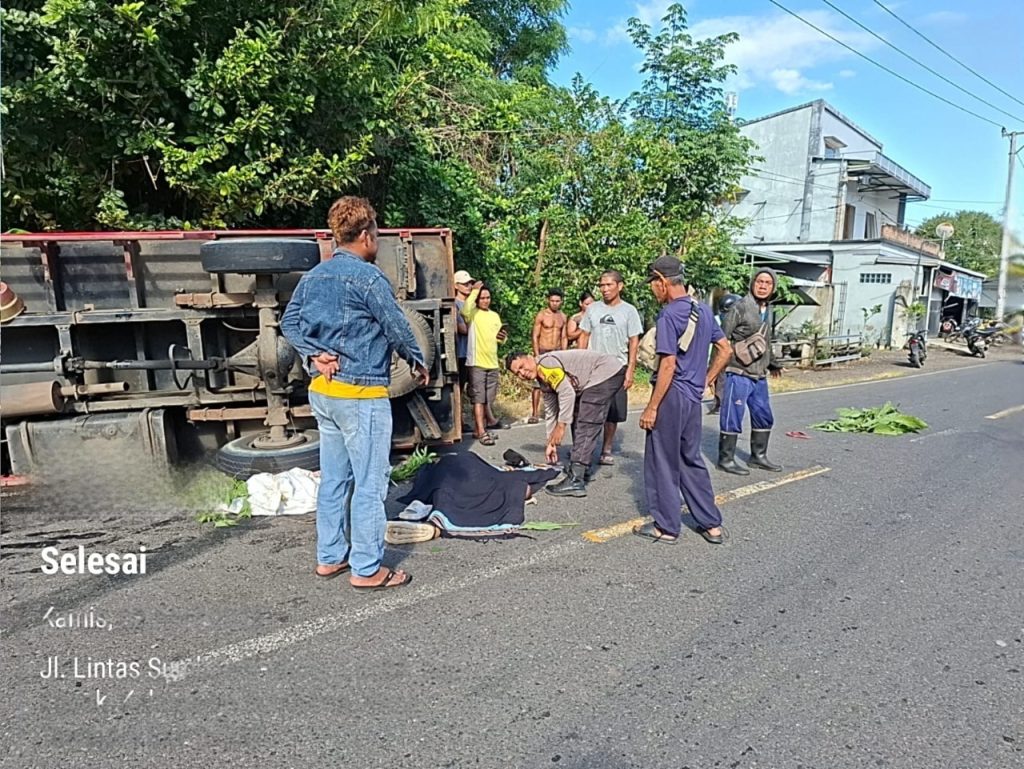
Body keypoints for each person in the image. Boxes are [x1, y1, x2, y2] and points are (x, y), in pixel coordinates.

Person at [280, 195, 427, 590]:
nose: (377, 240)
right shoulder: (367, 277)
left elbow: (288, 322)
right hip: (360, 396)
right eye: (376, 232)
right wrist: (417, 360)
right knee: (370, 483)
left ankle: (330, 557)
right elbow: (396, 325)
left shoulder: (314, 276)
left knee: (334, 479)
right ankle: (367, 568)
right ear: (365, 235)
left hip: (323, 392)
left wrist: (314, 353)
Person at [632, 257, 733, 545]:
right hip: (692, 398)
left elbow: (667, 365)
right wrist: (707, 379)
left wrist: (651, 407)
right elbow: (725, 350)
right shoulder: (701, 310)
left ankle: (666, 526)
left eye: (653, 284)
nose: (653, 290)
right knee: (690, 458)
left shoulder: (668, 315)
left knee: (662, 460)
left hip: (671, 395)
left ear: (661, 281)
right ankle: (711, 523)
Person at [506, 349, 625, 497]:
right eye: (517, 373)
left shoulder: (545, 365)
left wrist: (561, 427)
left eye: (522, 366)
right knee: (577, 413)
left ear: (530, 357)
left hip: (606, 371)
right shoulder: (542, 381)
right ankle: (582, 466)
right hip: (602, 374)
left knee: (587, 417)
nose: (522, 373)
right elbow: (551, 411)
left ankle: (576, 479)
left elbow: (567, 393)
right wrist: (551, 443)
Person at [718, 268, 784, 475]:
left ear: (773, 287)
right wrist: (713, 373)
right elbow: (721, 339)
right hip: (739, 371)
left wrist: (773, 363)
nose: (763, 286)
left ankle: (758, 457)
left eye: (768, 283)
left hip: (759, 373)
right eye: (760, 281)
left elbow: (766, 341)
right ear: (752, 283)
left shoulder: (767, 309)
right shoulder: (740, 307)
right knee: (732, 415)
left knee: (763, 415)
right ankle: (725, 459)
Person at [578, 271, 642, 466]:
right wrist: (580, 365)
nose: (604, 289)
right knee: (589, 410)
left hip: (618, 368)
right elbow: (583, 336)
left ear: (620, 286)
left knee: (612, 413)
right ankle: (585, 450)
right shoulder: (593, 309)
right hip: (595, 369)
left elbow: (634, 342)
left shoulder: (629, 311)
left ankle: (606, 448)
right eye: (601, 286)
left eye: (608, 285)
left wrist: (630, 370)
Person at [462, 281, 508, 445]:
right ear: (477, 300)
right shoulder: (472, 313)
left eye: (488, 298)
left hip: (492, 362)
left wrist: (502, 337)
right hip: (477, 363)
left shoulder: (494, 315)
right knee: (479, 399)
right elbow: (464, 310)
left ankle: (479, 428)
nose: (485, 301)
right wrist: (474, 291)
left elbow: (500, 337)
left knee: (488, 398)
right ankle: (482, 432)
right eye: (482, 298)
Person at [529, 288, 568, 424]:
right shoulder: (541, 315)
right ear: (548, 300)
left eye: (557, 301)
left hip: (556, 352)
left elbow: (564, 337)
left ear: (561, 301)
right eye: (552, 301)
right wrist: (537, 355)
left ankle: (555, 411)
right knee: (538, 384)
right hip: (543, 350)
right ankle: (534, 413)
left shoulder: (563, 317)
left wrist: (564, 354)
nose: (555, 303)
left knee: (556, 381)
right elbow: (535, 336)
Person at [708, 293, 741, 416]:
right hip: (722, 354)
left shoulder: (744, 324)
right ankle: (719, 403)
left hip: (736, 358)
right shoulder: (719, 323)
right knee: (719, 377)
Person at [453, 269, 475, 401]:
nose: (469, 286)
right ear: (456, 285)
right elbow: (463, 329)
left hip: (474, 353)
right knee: (460, 387)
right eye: (465, 284)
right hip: (461, 352)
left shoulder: (473, 304)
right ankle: (459, 418)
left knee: (476, 388)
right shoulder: (454, 305)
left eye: (470, 283)